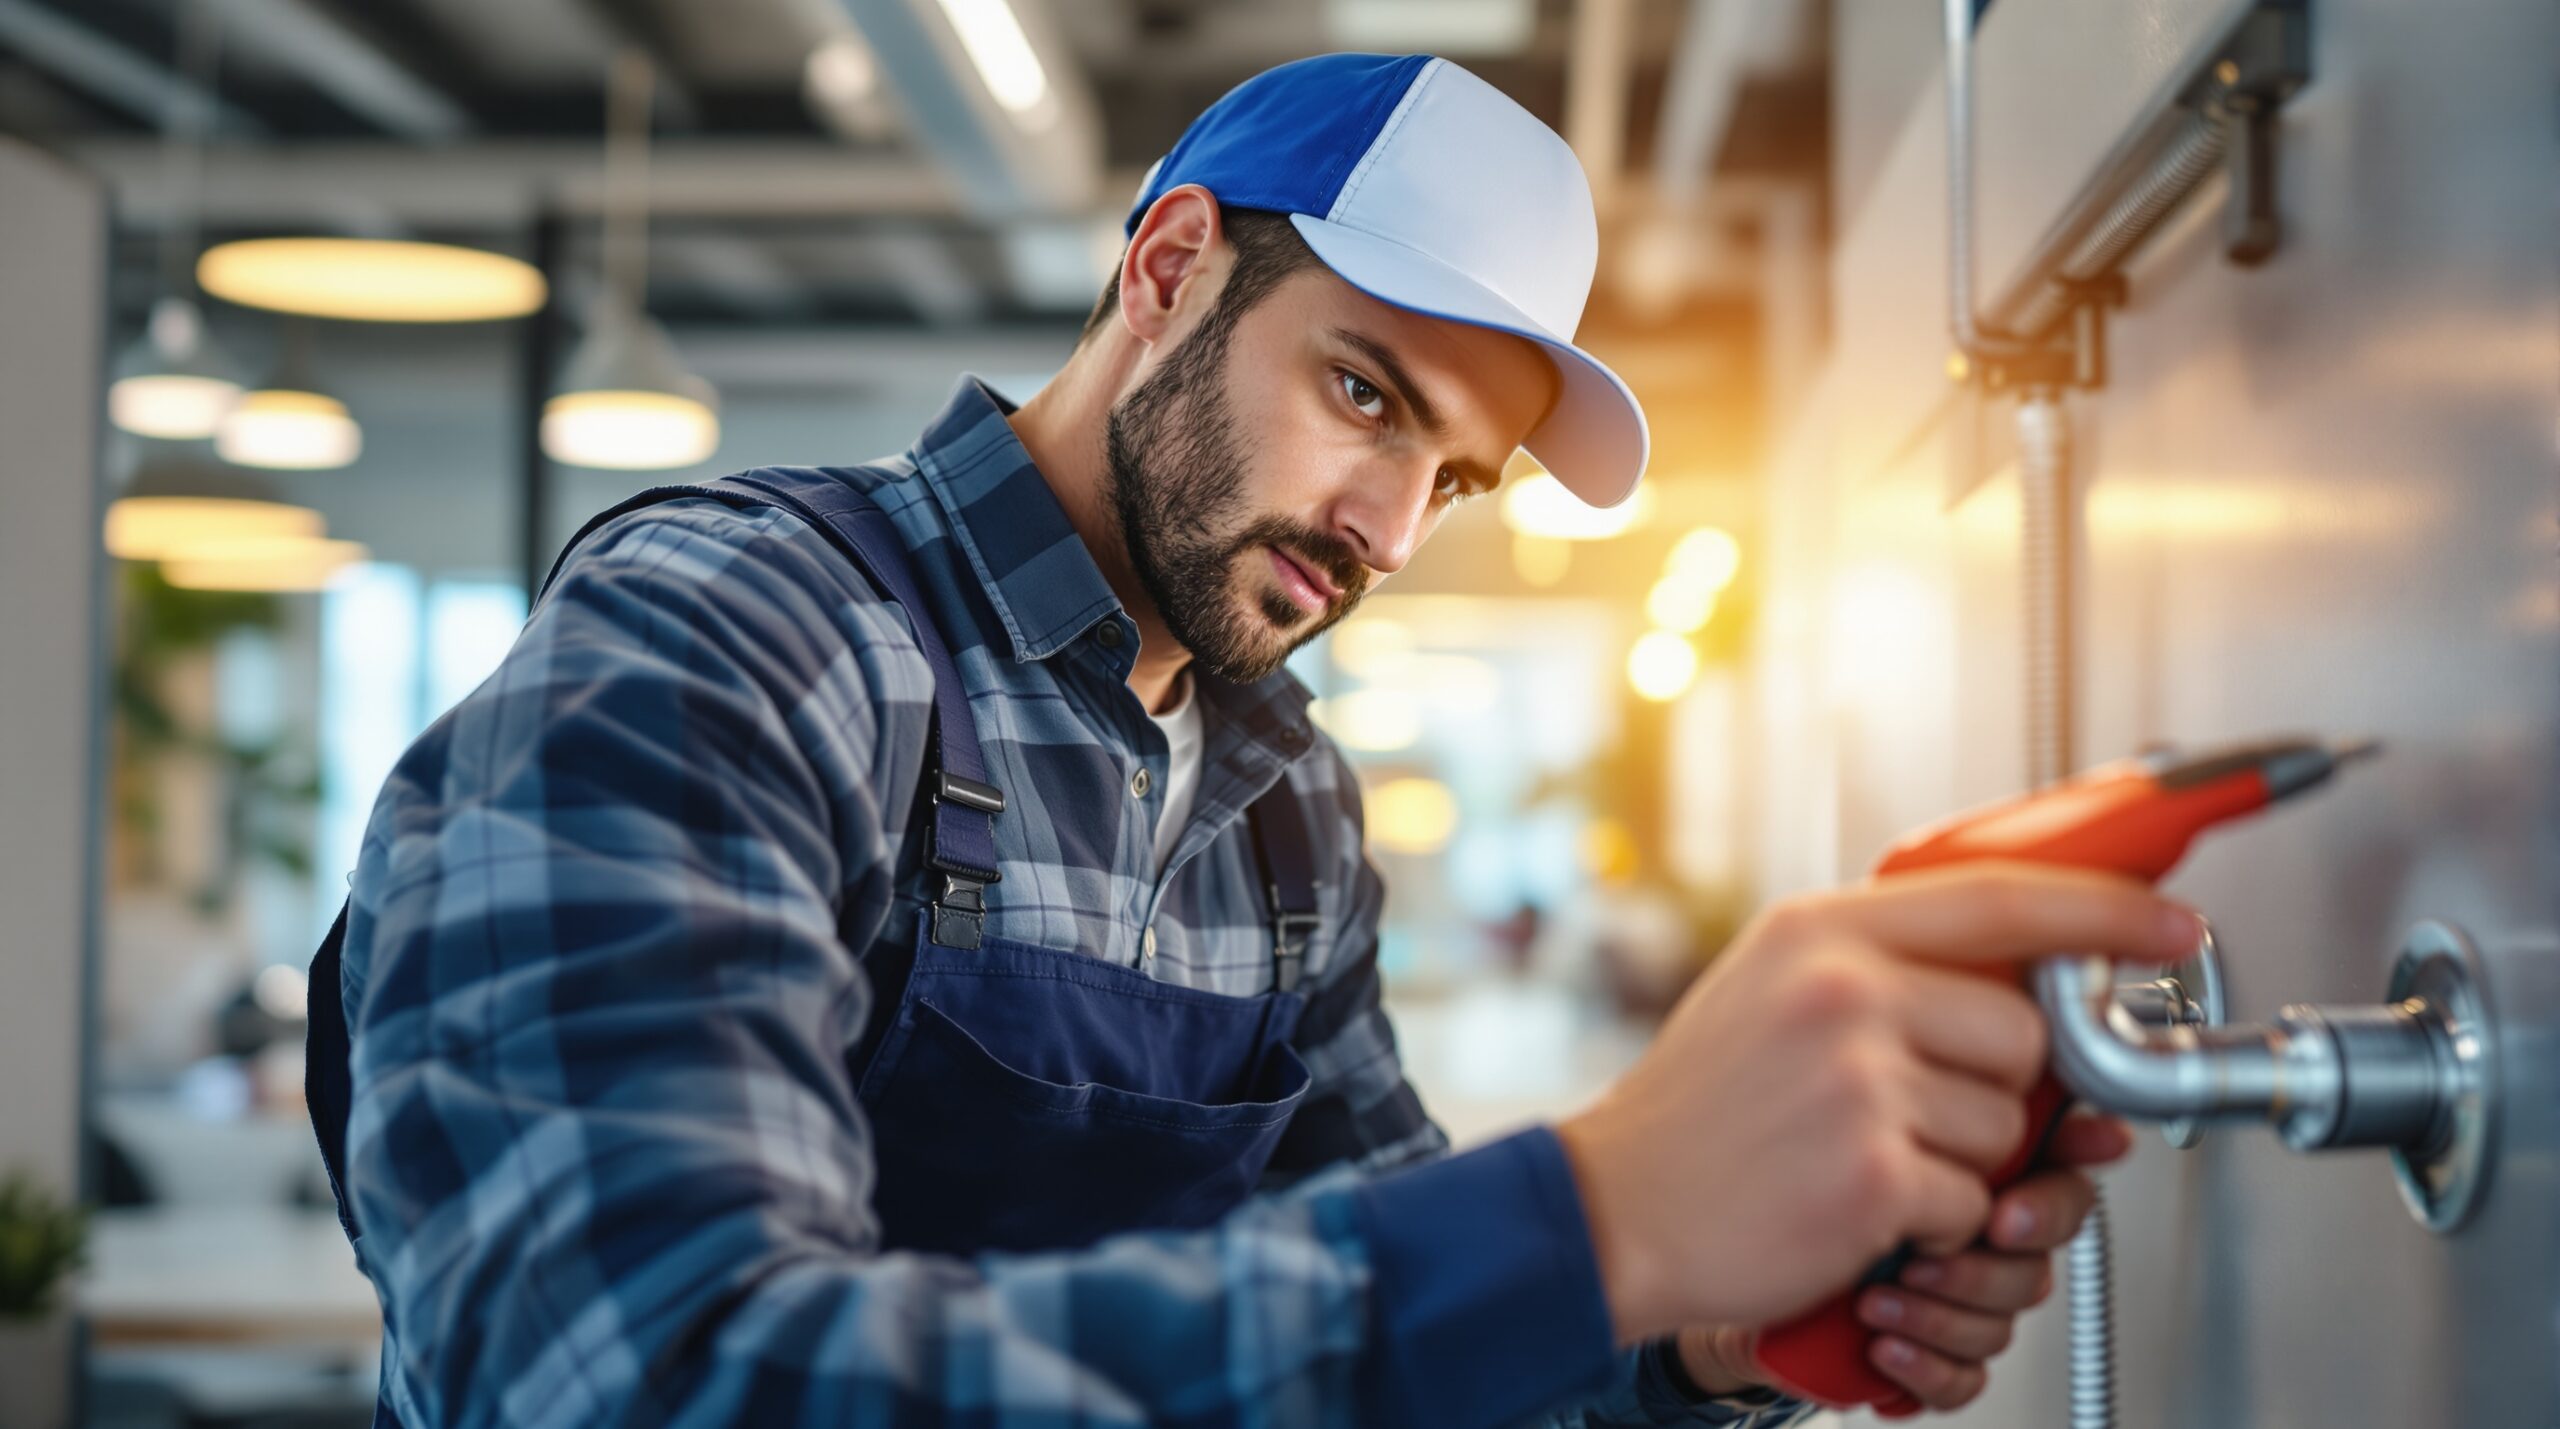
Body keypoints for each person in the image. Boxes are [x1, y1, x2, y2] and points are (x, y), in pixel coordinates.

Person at [315, 53, 2190, 1427]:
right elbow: (620, 1374)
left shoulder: (1283, 807)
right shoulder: (736, 642)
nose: (1388, 526)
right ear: (1169, 271)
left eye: (1450, 472)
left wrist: (1695, 1323)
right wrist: (1597, 1206)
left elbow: (1403, 1347)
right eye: (1365, 393)